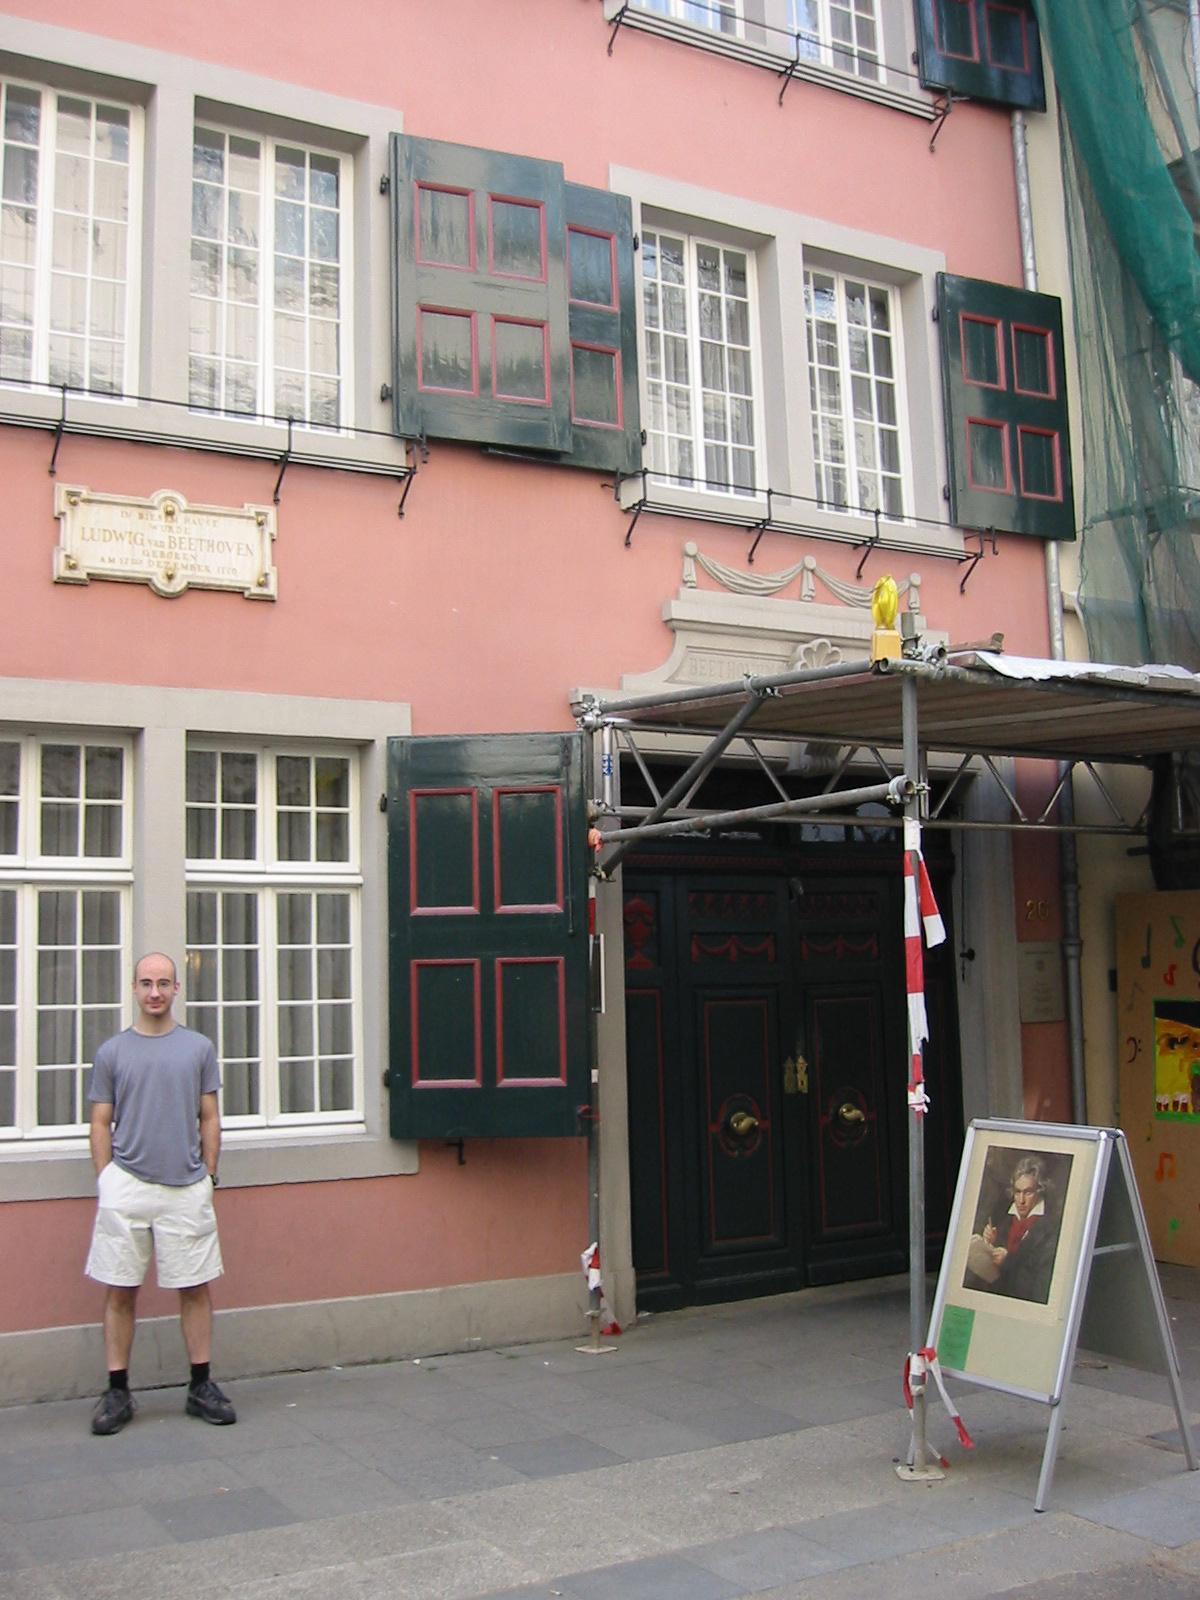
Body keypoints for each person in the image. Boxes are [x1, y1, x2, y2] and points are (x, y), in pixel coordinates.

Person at [84, 951, 236, 1435]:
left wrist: (209, 1176)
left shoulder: (197, 1048)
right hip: (126, 1184)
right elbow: (100, 1121)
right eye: (147, 983)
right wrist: (106, 1179)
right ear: (134, 988)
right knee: (120, 1288)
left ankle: (200, 1385)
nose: (155, 992)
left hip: (186, 1187)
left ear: (176, 989)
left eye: (163, 983)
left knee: (195, 1286)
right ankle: (117, 1390)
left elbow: (209, 1116)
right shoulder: (112, 1052)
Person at [964, 1154, 1062, 1305]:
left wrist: (1007, 1261)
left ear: (1040, 1190)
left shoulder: (1050, 1227)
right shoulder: (1006, 1219)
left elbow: (1038, 1281)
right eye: (1017, 1192)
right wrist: (992, 1242)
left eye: (1028, 1192)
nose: (1021, 1200)